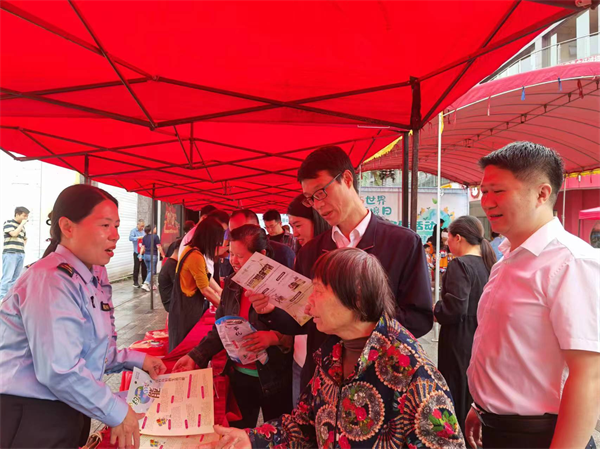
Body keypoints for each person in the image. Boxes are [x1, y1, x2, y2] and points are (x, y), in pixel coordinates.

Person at [211, 248, 466, 449]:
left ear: (356, 296)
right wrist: (252, 440)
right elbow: (305, 424)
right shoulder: (331, 354)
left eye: (318, 292)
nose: (308, 305)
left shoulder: (413, 373)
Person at [251, 146, 433, 392]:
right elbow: (303, 320)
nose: (318, 205)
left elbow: (419, 318)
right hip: (322, 381)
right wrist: (272, 310)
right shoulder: (311, 251)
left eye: (321, 192)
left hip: (381, 380)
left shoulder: (402, 243)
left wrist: (352, 320)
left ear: (347, 179)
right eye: (310, 198)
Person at [0, 185, 166, 449]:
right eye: (105, 225)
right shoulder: (50, 280)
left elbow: (94, 350)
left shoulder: (90, 274)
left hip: (69, 407)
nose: (115, 235)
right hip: (32, 416)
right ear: (68, 227)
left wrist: (137, 359)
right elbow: (60, 370)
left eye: (116, 226)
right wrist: (116, 410)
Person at [465, 142, 600, 449]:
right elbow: (507, 347)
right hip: (497, 428)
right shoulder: (507, 259)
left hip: (542, 435)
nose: (487, 202)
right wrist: (480, 406)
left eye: (498, 191)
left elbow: (589, 376)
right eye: (484, 191)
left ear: (542, 193)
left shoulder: (571, 262)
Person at [173, 225, 293, 429]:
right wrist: (195, 356)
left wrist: (273, 338)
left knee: (276, 434)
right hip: (240, 377)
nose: (233, 260)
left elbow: (298, 331)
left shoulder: (281, 285)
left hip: (274, 378)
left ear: (262, 255)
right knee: (238, 434)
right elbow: (220, 329)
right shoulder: (232, 284)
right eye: (231, 253)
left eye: (240, 256)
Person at [433, 216, 496, 435]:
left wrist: (436, 310)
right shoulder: (490, 265)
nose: (447, 244)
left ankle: (456, 438)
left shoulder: (459, 265)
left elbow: (455, 308)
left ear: (458, 238)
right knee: (473, 393)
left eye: (448, 239)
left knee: (456, 392)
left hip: (459, 341)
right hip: (482, 337)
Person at [286, 194, 332, 405]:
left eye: (298, 225)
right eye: (291, 226)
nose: (294, 233)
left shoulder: (334, 259)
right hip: (300, 356)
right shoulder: (302, 255)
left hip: (325, 360)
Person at [168, 217, 224, 351]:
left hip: (182, 308)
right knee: (183, 348)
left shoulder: (191, 250)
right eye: (216, 242)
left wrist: (221, 293)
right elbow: (205, 289)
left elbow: (206, 277)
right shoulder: (195, 256)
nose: (217, 247)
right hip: (185, 311)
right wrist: (224, 308)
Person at [229, 209, 295, 269]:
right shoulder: (235, 259)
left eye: (243, 231)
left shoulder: (284, 253)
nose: (236, 238)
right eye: (233, 233)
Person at [1, 206, 30, 300]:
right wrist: (22, 224)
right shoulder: (8, 223)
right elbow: (14, 234)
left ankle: (10, 299)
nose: (26, 218)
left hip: (20, 254)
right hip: (10, 253)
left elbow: (25, 239)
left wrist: (22, 247)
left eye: (27, 216)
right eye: (24, 216)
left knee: (16, 278)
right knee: (7, 277)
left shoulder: (23, 227)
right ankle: (2, 299)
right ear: (17, 214)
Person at [158, 238, 182, 313]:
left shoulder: (172, 263)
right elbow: (180, 286)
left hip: (174, 301)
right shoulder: (172, 266)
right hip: (172, 303)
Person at [139, 225, 165, 291]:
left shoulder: (144, 237)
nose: (156, 229)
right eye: (155, 228)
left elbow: (143, 247)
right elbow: (158, 246)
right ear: (152, 229)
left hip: (146, 256)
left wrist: (140, 255)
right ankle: (146, 284)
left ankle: (152, 285)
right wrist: (163, 255)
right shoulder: (155, 237)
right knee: (152, 271)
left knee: (149, 271)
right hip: (152, 256)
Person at [129, 219, 146, 287]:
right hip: (137, 252)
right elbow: (130, 238)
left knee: (144, 267)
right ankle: (135, 282)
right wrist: (138, 238)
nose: (142, 227)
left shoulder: (144, 231)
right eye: (141, 226)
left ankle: (144, 281)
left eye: (143, 226)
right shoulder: (133, 231)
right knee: (137, 267)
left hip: (143, 251)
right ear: (138, 225)